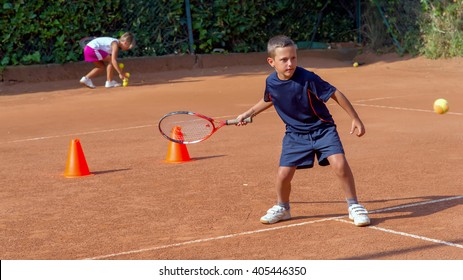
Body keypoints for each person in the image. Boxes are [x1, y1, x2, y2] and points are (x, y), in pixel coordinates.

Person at [236, 35, 370, 227]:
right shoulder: (271, 82)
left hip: (322, 129)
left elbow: (335, 93)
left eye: (293, 58)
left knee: (339, 164)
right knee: (283, 175)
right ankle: (283, 208)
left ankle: (354, 206)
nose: (290, 63)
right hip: (295, 134)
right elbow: (269, 99)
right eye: (284, 60)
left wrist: (355, 118)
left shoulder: (308, 78)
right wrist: (248, 114)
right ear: (271, 62)